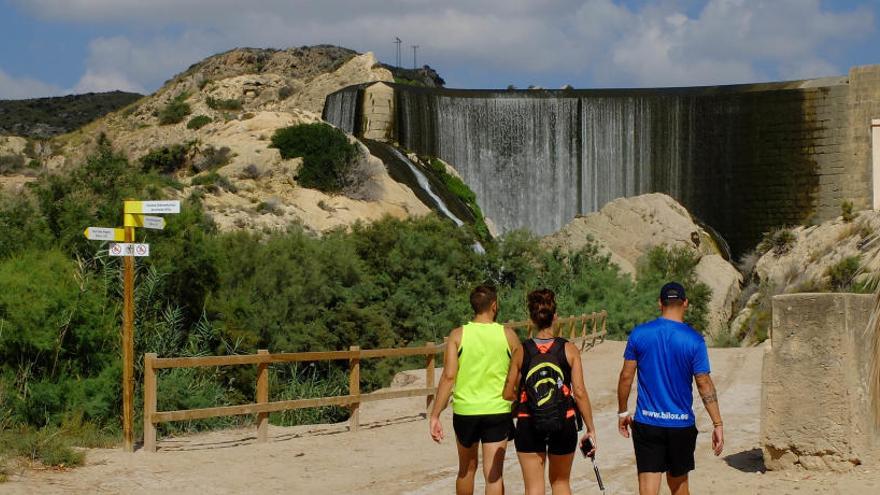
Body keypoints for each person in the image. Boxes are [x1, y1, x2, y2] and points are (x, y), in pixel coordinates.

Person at [616, 282, 724, 495]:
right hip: (681, 425)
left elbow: (626, 377)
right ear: (685, 303)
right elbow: (704, 384)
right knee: (679, 485)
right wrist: (717, 423)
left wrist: (622, 411)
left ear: (660, 303)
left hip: (648, 422)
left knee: (648, 487)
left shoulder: (640, 334)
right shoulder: (694, 339)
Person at [502, 289, 597, 495]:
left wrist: (523, 394)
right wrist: (590, 428)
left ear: (532, 318)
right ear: (555, 317)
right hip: (564, 421)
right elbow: (579, 392)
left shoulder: (521, 351)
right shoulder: (569, 349)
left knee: (534, 488)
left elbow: (507, 393)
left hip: (528, 421)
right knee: (560, 483)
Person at [429, 285, 521, 495]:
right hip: (498, 410)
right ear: (494, 306)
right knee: (494, 474)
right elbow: (519, 373)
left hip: (466, 411)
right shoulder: (508, 335)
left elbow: (449, 376)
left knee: (466, 470)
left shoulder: (457, 335)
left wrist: (435, 414)